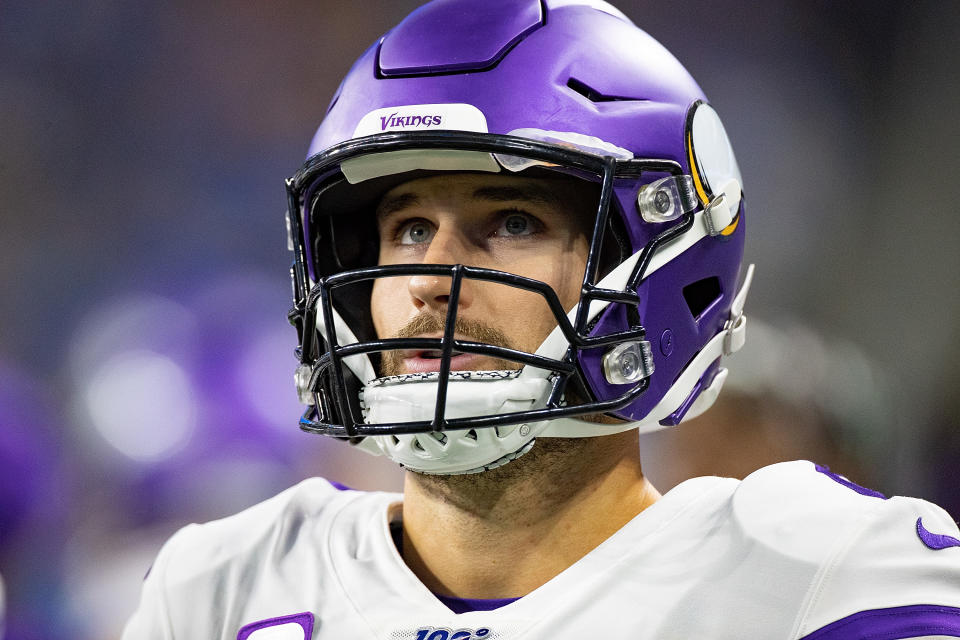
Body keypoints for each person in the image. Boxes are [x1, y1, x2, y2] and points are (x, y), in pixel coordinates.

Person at [123, 1, 960, 638]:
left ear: (658, 259)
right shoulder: (220, 588)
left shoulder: (822, 579)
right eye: (408, 228)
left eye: (513, 222)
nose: (429, 281)